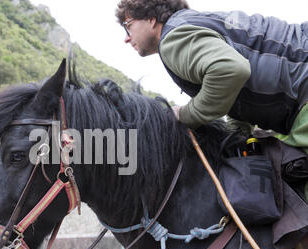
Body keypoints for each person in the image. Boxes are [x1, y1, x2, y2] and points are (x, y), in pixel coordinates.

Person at [115, 0, 308, 201]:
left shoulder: (173, 40)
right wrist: (238, 134)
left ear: (151, 19)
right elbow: (239, 91)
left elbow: (231, 70)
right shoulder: (193, 25)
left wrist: (184, 114)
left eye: (127, 26)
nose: (126, 39)